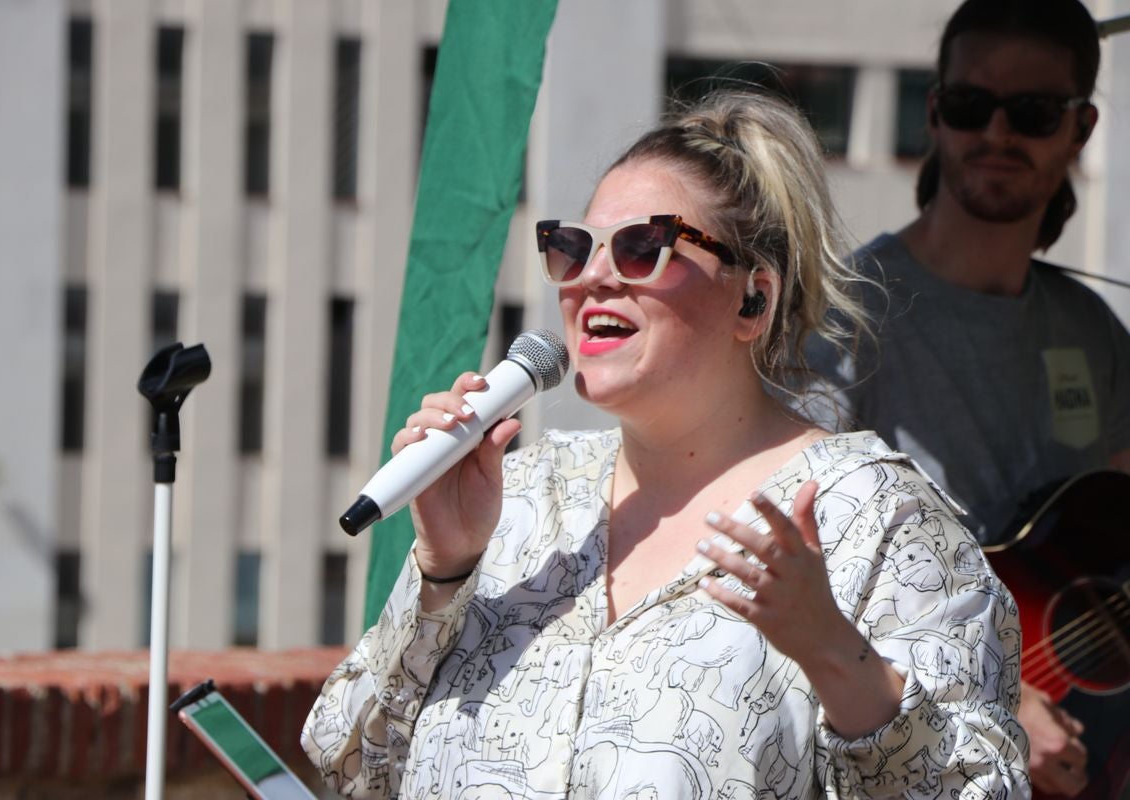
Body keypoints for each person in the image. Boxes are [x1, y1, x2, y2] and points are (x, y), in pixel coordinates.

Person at [302, 90, 1029, 798]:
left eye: (643, 247)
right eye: (571, 247)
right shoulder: (518, 500)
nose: (591, 278)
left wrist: (838, 658)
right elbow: (356, 772)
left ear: (753, 299)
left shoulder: (875, 520)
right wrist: (444, 574)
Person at [803, 1, 1130, 796]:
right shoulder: (843, 321)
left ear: (1080, 129)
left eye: (1032, 112)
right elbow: (803, 571)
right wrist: (1006, 695)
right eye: (970, 106)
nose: (997, 134)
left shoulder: (1093, 333)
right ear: (935, 113)